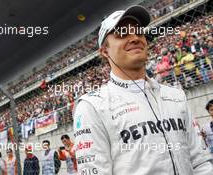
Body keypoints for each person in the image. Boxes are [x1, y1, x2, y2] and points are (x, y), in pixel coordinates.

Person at [74, 5, 213, 175]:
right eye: (122, 34)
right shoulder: (92, 106)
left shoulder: (175, 95)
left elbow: (200, 162)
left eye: (138, 32)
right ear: (104, 51)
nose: (134, 38)